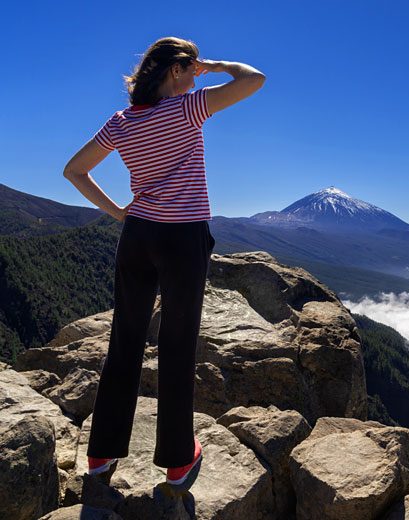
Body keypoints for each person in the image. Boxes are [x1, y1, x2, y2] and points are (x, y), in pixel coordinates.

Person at [63, 36, 265, 491]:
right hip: (182, 235)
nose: (196, 74)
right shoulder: (188, 108)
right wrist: (217, 64)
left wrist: (119, 212)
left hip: (137, 236)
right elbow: (254, 79)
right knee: (177, 344)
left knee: (126, 339)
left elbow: (74, 170)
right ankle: (177, 460)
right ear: (176, 70)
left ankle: (99, 455)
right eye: (190, 68)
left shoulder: (121, 121)